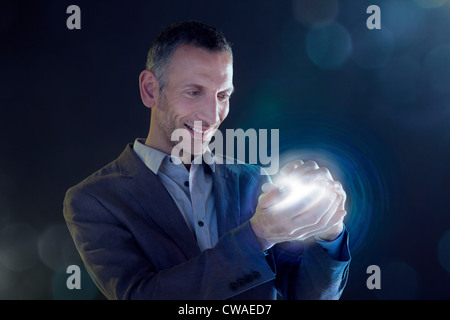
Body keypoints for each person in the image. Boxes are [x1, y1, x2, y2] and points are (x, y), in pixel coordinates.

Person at [63, 21, 351, 300]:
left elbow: (307, 295)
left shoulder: (254, 181)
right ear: (151, 89)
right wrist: (258, 235)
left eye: (223, 95)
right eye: (194, 92)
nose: (213, 116)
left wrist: (329, 231)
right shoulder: (94, 201)